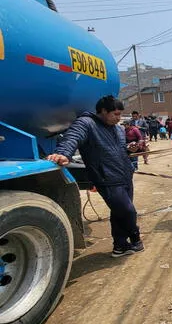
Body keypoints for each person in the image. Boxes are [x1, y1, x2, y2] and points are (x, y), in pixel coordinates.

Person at [46, 95, 144, 258]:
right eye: (116, 114)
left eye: (120, 114)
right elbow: (73, 138)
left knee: (119, 212)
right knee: (128, 211)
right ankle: (135, 239)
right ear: (103, 111)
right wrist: (63, 154)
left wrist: (130, 149)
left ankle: (120, 246)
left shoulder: (117, 129)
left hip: (125, 175)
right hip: (107, 178)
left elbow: (119, 150)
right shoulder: (86, 124)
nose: (119, 118)